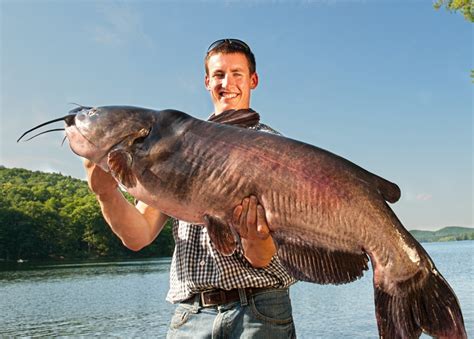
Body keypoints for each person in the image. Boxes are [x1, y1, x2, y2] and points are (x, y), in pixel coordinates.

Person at [84, 38, 296, 338]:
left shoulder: (279, 152)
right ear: (207, 82)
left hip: (260, 311)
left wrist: (256, 240)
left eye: (237, 73)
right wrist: (105, 193)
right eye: (219, 74)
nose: (228, 82)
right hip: (190, 315)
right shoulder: (173, 142)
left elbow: (263, 258)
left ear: (253, 80)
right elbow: (139, 235)